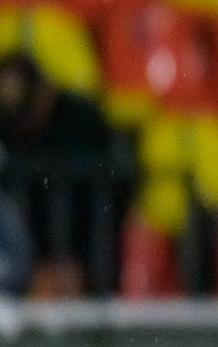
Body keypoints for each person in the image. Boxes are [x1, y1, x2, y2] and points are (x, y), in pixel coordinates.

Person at [0, 51, 134, 296]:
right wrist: (32, 270)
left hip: (87, 257)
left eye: (24, 111)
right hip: (26, 266)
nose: (20, 124)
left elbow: (112, 197)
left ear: (44, 91)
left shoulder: (82, 123)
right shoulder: (8, 140)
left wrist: (80, 265)